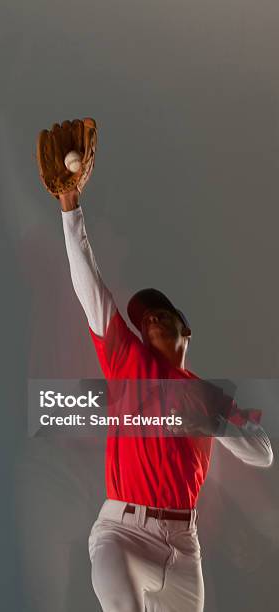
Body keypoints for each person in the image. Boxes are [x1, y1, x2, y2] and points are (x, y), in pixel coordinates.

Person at [56, 186, 273, 612]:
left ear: (185, 331)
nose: (147, 317)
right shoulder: (128, 360)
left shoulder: (209, 397)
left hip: (183, 550)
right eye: (142, 317)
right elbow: (90, 288)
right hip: (122, 534)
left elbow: (262, 452)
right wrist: (69, 208)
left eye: (160, 311)